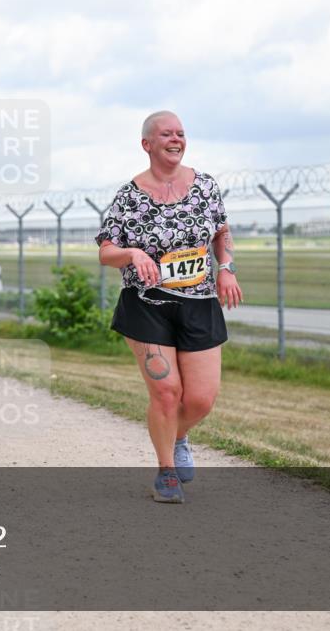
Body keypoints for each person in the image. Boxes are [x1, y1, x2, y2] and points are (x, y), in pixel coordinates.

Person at [96, 111, 243, 504]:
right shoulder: (129, 196)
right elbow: (106, 252)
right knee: (166, 391)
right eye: (166, 134)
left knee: (199, 399)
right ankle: (166, 473)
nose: (175, 139)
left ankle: (178, 436)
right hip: (147, 303)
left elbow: (221, 231)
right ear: (147, 144)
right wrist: (131, 253)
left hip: (199, 303)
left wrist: (225, 268)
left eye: (180, 133)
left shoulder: (205, 186)